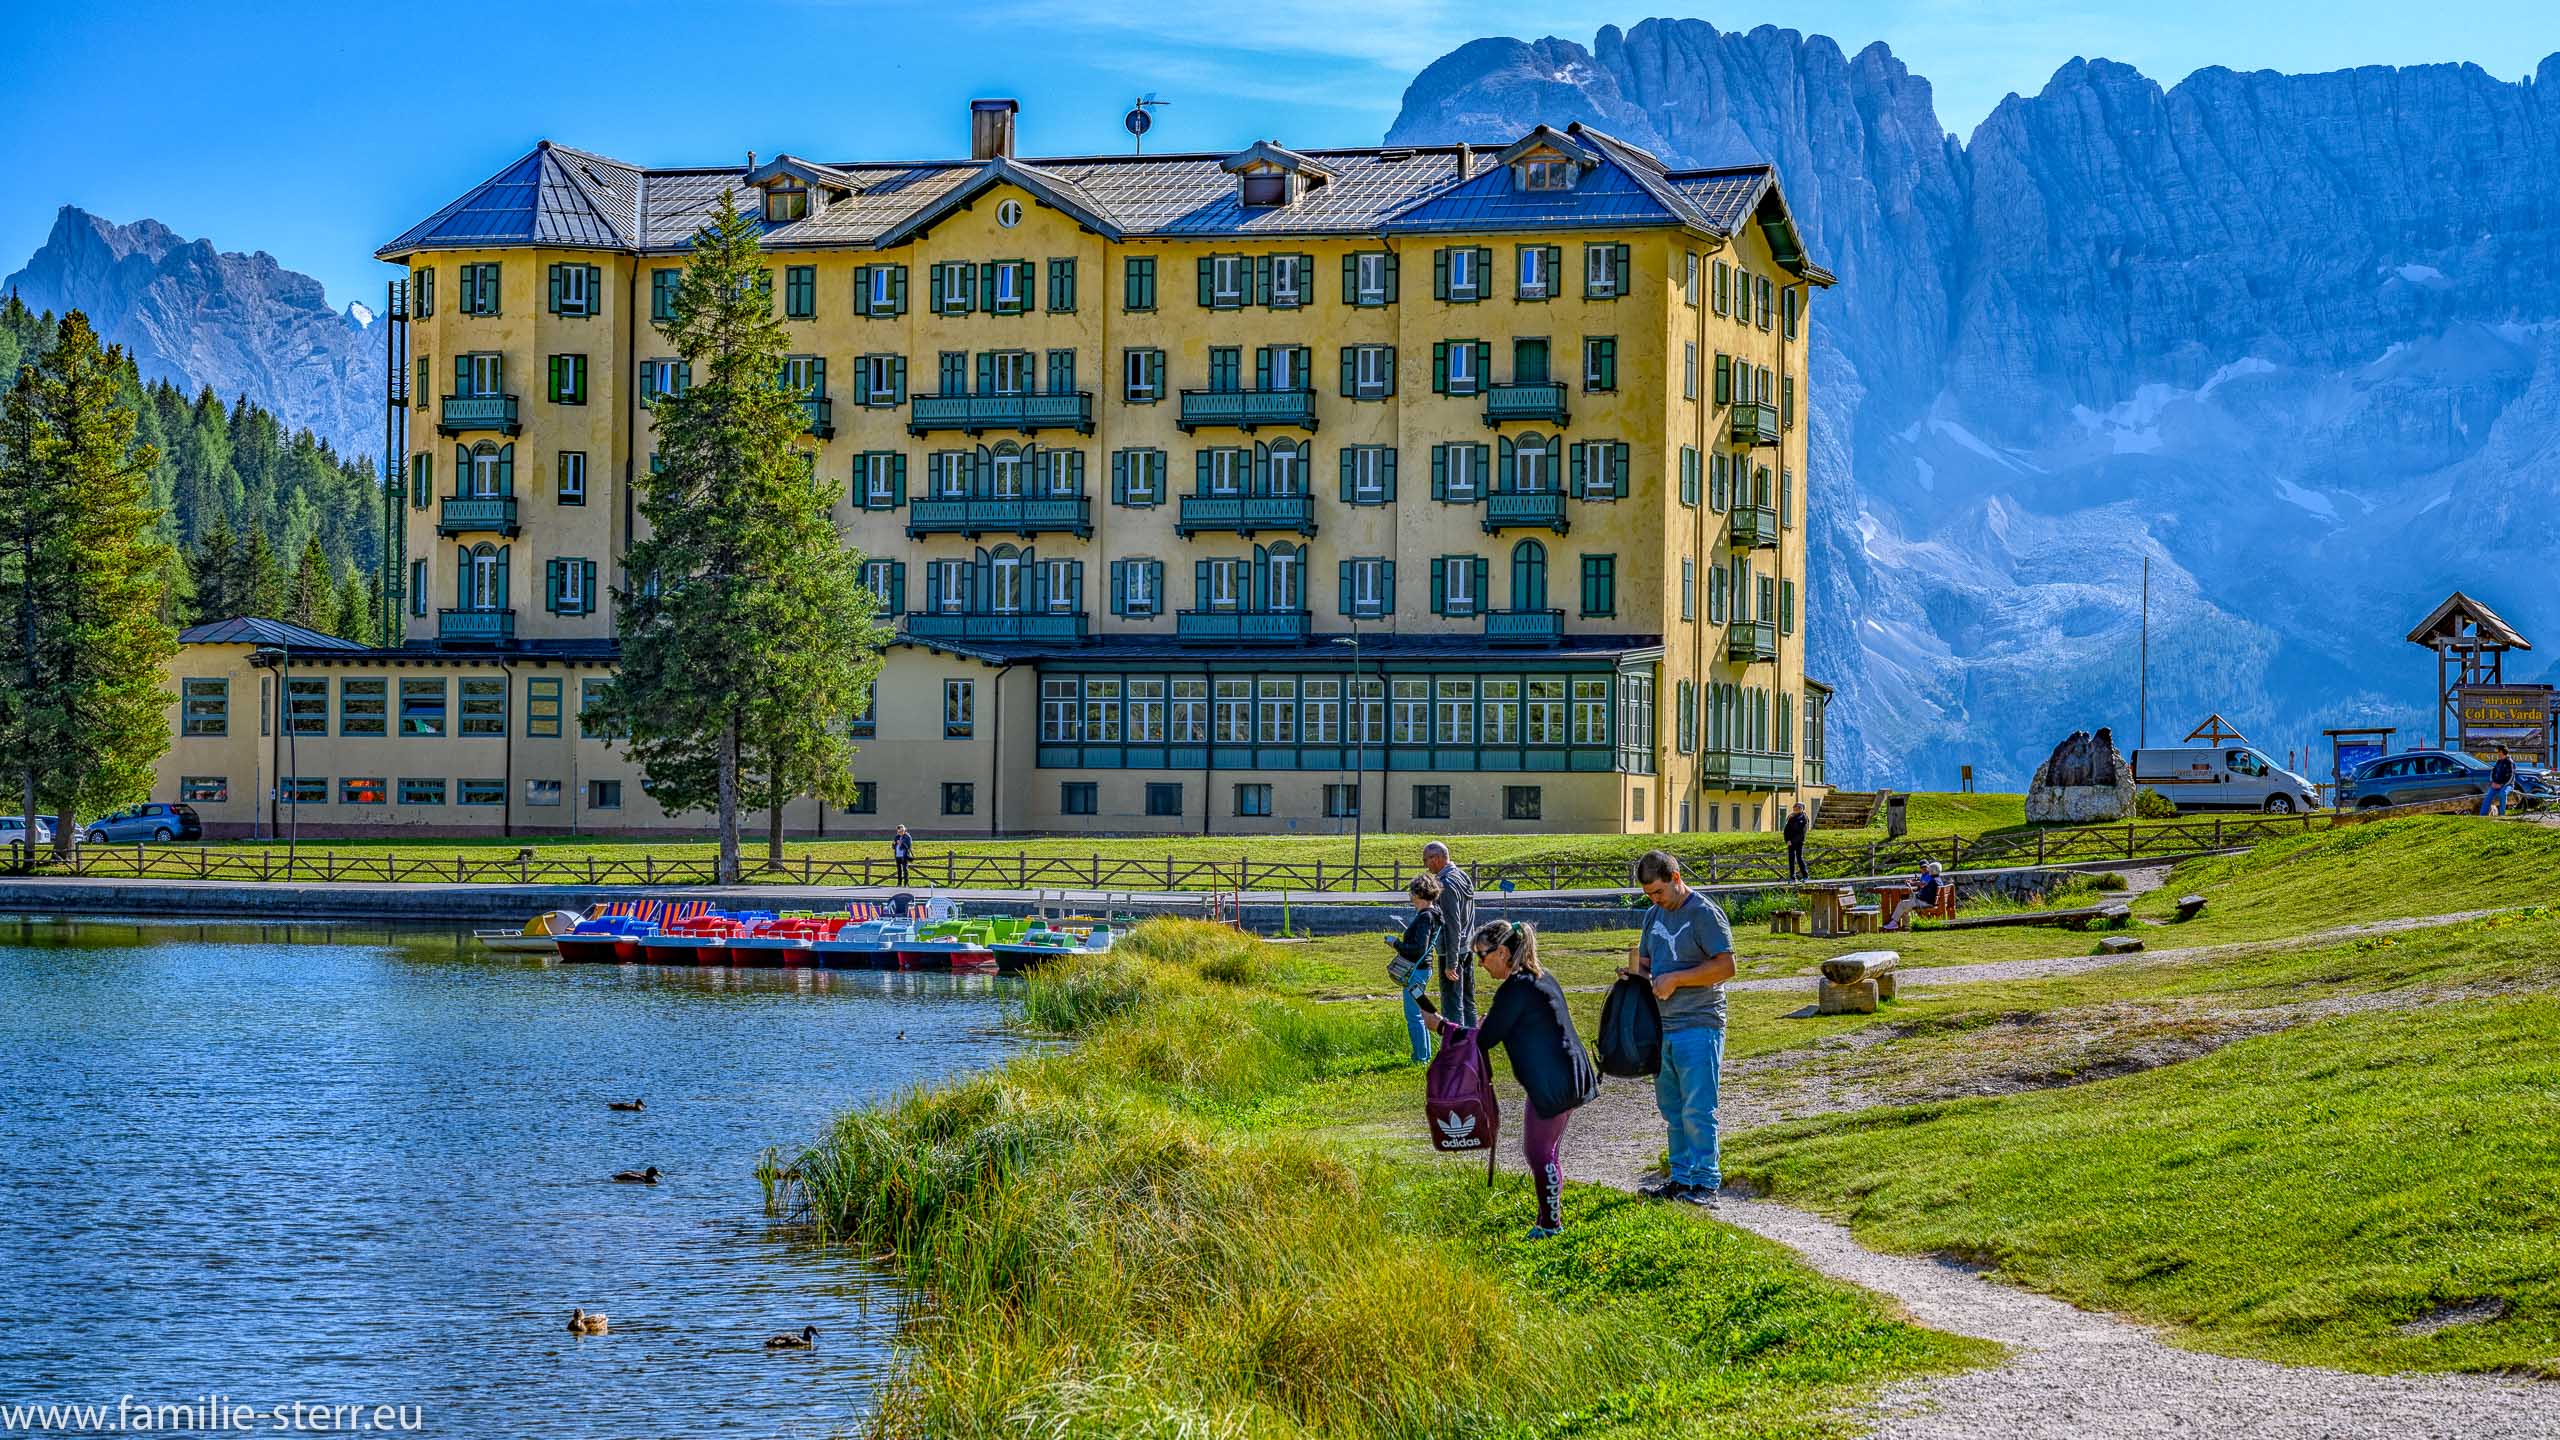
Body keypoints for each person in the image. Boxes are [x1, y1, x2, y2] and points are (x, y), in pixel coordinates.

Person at [1421, 919, 1596, 1238]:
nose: (1480, 964)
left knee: (1538, 1152)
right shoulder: (1538, 978)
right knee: (1547, 1151)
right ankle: (1548, 1217)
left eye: (1482, 956)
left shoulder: (1514, 989)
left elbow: (1483, 1040)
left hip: (1553, 1083)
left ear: (1502, 951)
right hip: (1571, 1075)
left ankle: (1551, 1226)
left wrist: (1442, 1026)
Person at [1622, 850, 1733, 1204]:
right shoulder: (1653, 916)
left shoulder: (1703, 913)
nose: (1655, 900)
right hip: (1662, 1025)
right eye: (1648, 895)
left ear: (1675, 878)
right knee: (1672, 1109)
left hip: (1699, 1021)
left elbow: (1726, 967)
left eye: (1658, 892)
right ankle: (1681, 1178)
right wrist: (1634, 977)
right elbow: (1646, 962)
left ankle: (1706, 1182)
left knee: (1698, 1107)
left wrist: (1677, 980)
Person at [1386, 874, 1445, 1064]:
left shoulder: (1425, 917)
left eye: (1412, 892)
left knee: (1414, 1015)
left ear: (1419, 894)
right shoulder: (1432, 914)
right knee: (1420, 1013)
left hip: (1415, 972)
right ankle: (1424, 1055)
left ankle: (1420, 1058)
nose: (1410, 896)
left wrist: (1396, 943)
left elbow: (1418, 948)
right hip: (1421, 970)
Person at [1422, 841, 1477, 1027]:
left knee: (1452, 1006)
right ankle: (1473, 1047)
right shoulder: (1462, 876)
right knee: (1468, 1001)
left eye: (1426, 860)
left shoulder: (1445, 885)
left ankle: (1457, 1050)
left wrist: (1451, 963)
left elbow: (1453, 925)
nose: (1425, 865)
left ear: (1436, 858)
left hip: (1451, 951)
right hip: (1467, 947)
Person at [1886, 860, 1943, 931]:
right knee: (1905, 905)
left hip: (1925, 903)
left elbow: (1923, 896)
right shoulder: (1938, 880)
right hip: (1930, 902)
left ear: (1932, 870)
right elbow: (1927, 892)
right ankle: (1906, 926)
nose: (1928, 870)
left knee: (1902, 904)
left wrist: (1917, 895)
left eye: (1929, 869)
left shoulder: (1933, 881)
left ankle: (1894, 923)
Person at [2482, 746, 2516, 817]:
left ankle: (2502, 814)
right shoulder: (2498, 761)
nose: (2497, 754)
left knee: (2502, 793)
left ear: (2502, 752)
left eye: (2498, 752)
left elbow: (2511, 777)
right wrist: (2493, 782)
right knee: (2488, 796)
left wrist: (2501, 785)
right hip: (2496, 784)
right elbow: (2493, 772)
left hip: (2508, 785)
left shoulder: (2510, 762)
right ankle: (2482, 815)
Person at [1784, 802, 1810, 881]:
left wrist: (1793, 841)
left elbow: (1802, 832)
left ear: (1801, 809)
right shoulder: (1791, 817)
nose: (1795, 809)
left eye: (1798, 808)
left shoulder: (1804, 818)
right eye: (1794, 808)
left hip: (1799, 842)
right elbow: (1786, 830)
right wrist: (1787, 840)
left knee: (1799, 858)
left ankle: (1805, 876)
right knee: (1791, 859)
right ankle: (1792, 877)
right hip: (1790, 842)